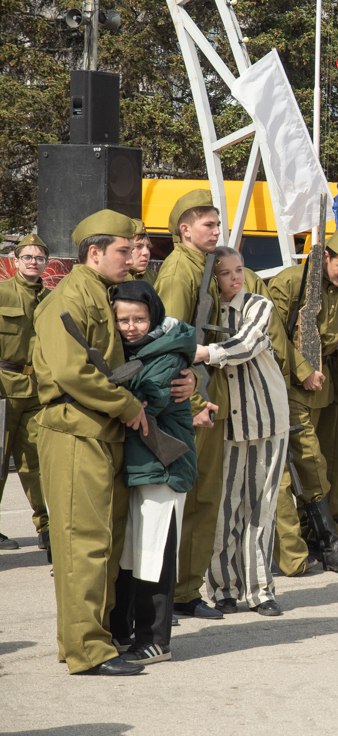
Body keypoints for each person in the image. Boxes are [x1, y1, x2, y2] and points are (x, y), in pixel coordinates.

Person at [35, 211, 151, 675]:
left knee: (99, 540)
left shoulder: (96, 292)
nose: (130, 259)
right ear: (94, 253)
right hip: (74, 430)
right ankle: (88, 650)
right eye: (123, 251)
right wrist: (126, 406)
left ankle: (86, 640)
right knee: (82, 542)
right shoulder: (71, 296)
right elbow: (70, 372)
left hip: (94, 430)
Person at [190, 247, 289, 616]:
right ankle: (222, 587)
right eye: (225, 273)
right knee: (225, 508)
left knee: (261, 508)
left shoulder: (258, 305)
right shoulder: (209, 311)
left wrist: (203, 352)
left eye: (239, 270)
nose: (235, 278)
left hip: (267, 418)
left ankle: (261, 590)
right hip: (228, 425)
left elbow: (245, 345)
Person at [267, 229, 338, 573]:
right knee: (310, 461)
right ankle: (328, 543)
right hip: (290, 384)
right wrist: (303, 368)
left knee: (324, 464)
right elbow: (273, 335)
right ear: (325, 257)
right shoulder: (292, 282)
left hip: (325, 388)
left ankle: (318, 539)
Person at [110, 281, 197, 664]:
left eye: (139, 318)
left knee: (154, 553)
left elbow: (149, 398)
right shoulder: (140, 349)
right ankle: (127, 632)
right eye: (123, 319)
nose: (131, 326)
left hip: (163, 468)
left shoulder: (167, 353)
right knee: (133, 552)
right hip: (140, 467)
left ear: (154, 316)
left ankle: (155, 639)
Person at [154, 190, 227, 621]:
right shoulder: (180, 272)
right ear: (184, 229)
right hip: (190, 401)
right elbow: (170, 340)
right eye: (208, 225)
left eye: (217, 225)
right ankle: (178, 592)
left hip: (200, 394)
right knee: (194, 498)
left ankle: (185, 589)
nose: (216, 231)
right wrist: (195, 400)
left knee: (203, 498)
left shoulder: (199, 266)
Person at [0, 234, 51, 552]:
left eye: (39, 257)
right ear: (15, 262)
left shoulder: (52, 298)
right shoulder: (2, 293)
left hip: (36, 390)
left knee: (36, 462)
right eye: (27, 257)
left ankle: (46, 526)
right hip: (3, 387)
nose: (33, 262)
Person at [128, 220, 157, 284]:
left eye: (148, 247)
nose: (146, 252)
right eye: (138, 246)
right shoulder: (114, 278)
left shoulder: (154, 278)